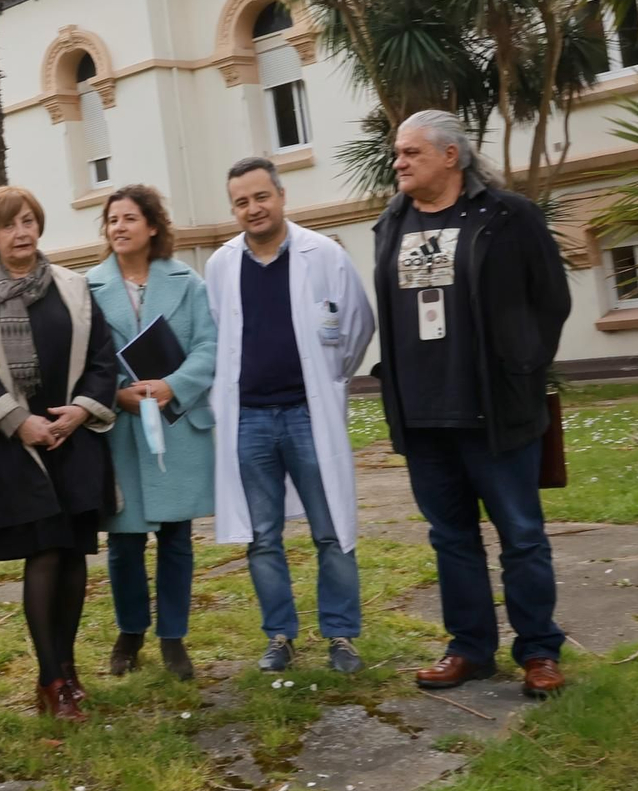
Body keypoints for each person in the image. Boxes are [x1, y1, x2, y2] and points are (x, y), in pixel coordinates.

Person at [371, 110, 572, 699]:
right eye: (398, 153)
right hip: (423, 414)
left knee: (522, 535)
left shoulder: (509, 217)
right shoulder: (392, 221)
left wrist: (522, 368)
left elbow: (551, 301)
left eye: (410, 153)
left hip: (494, 409)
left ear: (450, 156)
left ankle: (539, 651)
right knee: (451, 539)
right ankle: (470, 650)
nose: (399, 162)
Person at [0, 185, 119, 721]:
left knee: (72, 557)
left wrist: (81, 410)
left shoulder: (73, 287)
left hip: (69, 438)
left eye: (27, 221)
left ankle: (66, 671)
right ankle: (50, 680)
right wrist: (20, 424)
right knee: (43, 554)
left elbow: (102, 357)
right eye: (7, 225)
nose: (20, 233)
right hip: (14, 449)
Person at [205, 156, 377, 674]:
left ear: (281, 197)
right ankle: (279, 635)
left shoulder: (323, 255)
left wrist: (328, 381)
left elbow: (357, 326)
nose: (253, 209)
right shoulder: (219, 266)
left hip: (308, 414)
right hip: (250, 419)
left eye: (261, 197)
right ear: (233, 208)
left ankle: (341, 636)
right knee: (263, 536)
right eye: (242, 202)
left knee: (331, 529)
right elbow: (218, 340)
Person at [85, 185, 217, 681]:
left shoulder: (189, 283)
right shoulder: (88, 287)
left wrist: (171, 385)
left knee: (178, 539)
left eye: (129, 218)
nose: (118, 227)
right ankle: (131, 632)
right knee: (124, 543)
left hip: (176, 424)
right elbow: (85, 358)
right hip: (121, 430)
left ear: (153, 226)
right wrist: (116, 393)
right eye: (112, 219)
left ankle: (174, 638)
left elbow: (209, 346)